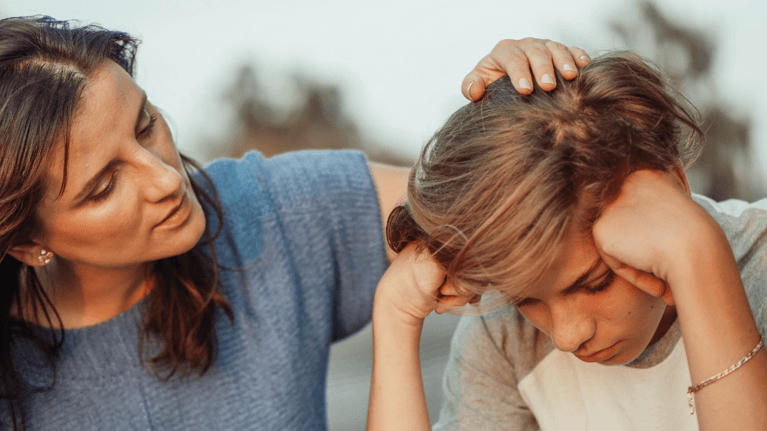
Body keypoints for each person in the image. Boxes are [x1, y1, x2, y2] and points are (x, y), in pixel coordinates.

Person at [0, 15, 591, 431]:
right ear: (28, 243)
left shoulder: (271, 212)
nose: (165, 180)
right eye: (104, 186)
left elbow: (500, 200)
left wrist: (522, 111)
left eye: (145, 123)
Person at [367, 52, 767, 431]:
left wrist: (697, 255)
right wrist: (395, 316)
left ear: (675, 188)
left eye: (594, 283)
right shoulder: (506, 337)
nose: (567, 335)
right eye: (526, 299)